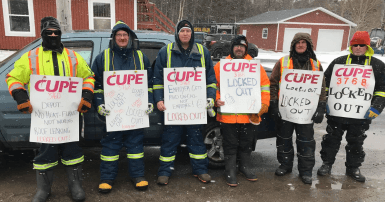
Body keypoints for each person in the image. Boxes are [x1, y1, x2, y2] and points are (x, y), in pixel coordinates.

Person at [5, 16, 94, 202]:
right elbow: (13, 78)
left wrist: (86, 97)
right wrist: (21, 98)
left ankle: (75, 186)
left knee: (73, 151)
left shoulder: (72, 56)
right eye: (49, 33)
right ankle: (43, 190)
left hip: (70, 116)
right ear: (42, 34)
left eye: (56, 33)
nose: (53, 35)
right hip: (44, 118)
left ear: (60, 34)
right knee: (46, 152)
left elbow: (88, 77)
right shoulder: (31, 56)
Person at [91, 20, 153, 193]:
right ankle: (107, 179)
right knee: (110, 146)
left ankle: (138, 176)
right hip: (113, 113)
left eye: (125, 35)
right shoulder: (103, 57)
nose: (122, 37)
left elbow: (149, 83)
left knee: (136, 146)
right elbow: (96, 84)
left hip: (134, 112)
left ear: (130, 37)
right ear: (114, 38)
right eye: (119, 35)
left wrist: (149, 100)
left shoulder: (141, 57)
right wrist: (100, 104)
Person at [153, 20, 217, 185]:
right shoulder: (165, 52)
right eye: (182, 31)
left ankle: (201, 170)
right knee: (169, 140)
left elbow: (210, 79)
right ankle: (164, 172)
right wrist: (159, 99)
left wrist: (210, 97)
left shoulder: (203, 52)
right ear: (177, 33)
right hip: (173, 108)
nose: (186, 34)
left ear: (192, 34)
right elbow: (157, 80)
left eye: (188, 31)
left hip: (194, 108)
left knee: (196, 140)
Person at [317, 31, 385, 182]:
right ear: (351, 46)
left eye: (362, 45)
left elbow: (382, 90)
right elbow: (324, 85)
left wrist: (377, 107)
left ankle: (353, 168)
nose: (358, 48)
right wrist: (325, 102)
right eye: (355, 45)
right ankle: (326, 164)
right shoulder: (338, 62)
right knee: (331, 140)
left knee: (356, 142)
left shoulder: (378, 65)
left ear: (368, 47)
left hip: (361, 115)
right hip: (337, 113)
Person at [269, 33, 327, 184]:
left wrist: (321, 107)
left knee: (306, 141)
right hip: (285, 110)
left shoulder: (315, 64)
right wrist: (274, 104)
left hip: (306, 112)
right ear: (293, 45)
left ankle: (306, 171)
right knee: (284, 139)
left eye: (304, 42)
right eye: (298, 43)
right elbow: (273, 84)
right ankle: (285, 164)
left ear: (308, 45)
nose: (301, 45)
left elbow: (322, 88)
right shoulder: (283, 62)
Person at [214, 35, 270, 187]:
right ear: (232, 48)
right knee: (230, 144)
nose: (239, 48)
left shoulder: (254, 66)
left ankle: (245, 167)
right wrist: (216, 99)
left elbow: (264, 87)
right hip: (228, 115)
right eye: (236, 46)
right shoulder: (221, 66)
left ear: (246, 48)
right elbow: (214, 86)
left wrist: (264, 104)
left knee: (246, 144)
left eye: (242, 46)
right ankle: (230, 170)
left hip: (249, 115)